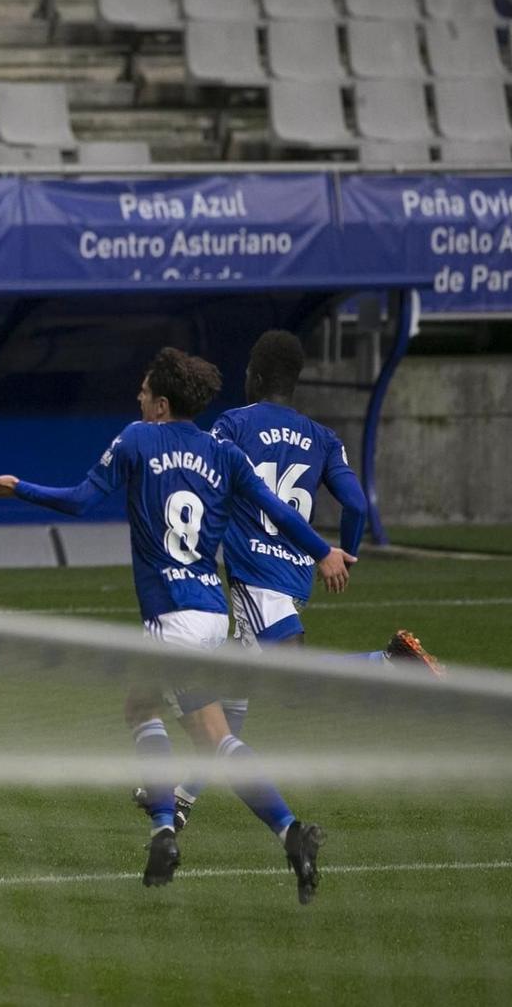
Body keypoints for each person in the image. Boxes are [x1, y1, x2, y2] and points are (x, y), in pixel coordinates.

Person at [0, 347, 357, 904]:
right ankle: (163, 832)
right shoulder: (224, 453)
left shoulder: (135, 439)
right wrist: (324, 551)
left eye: (143, 390)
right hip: (211, 613)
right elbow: (282, 511)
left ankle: (289, 831)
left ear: (159, 404)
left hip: (172, 619)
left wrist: (20, 488)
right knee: (141, 705)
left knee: (213, 737)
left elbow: (81, 501)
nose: (136, 397)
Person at [159, 330, 441, 831]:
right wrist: (344, 555)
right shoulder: (323, 437)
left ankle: (389, 662)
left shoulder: (233, 424)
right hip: (294, 576)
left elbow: (204, 476)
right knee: (236, 698)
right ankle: (181, 801)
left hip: (255, 578)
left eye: (248, 368)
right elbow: (354, 503)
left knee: (291, 681)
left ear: (259, 375)